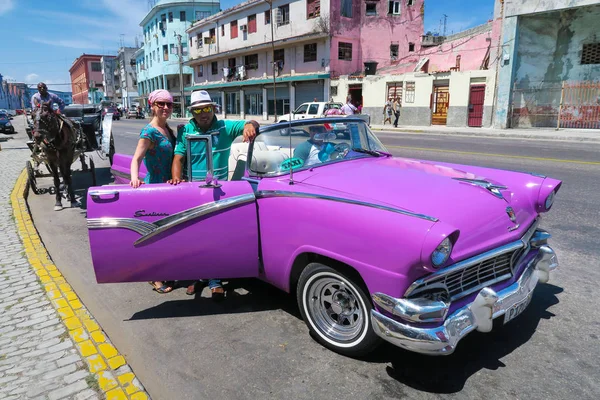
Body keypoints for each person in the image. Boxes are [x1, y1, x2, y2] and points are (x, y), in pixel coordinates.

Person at [170, 90, 259, 298]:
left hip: (217, 191)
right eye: (199, 109)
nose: (204, 113)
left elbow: (251, 123)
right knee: (192, 236)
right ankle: (197, 276)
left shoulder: (225, 127)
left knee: (215, 235)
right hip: (193, 190)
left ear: (213, 109)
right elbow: (178, 159)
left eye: (207, 108)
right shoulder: (186, 131)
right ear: (192, 112)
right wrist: (176, 181)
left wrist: (250, 125)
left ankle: (215, 278)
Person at [129, 89, 177, 294]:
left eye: (169, 104)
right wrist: (134, 177)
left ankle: (166, 270)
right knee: (155, 234)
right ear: (152, 106)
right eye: (160, 104)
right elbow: (136, 159)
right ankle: (154, 276)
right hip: (155, 188)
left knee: (170, 233)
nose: (165, 108)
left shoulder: (168, 130)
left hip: (171, 187)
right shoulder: (148, 132)